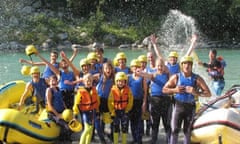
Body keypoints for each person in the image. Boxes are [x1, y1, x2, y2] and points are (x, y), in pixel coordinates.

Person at [162, 56, 211, 144]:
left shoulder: (197, 78)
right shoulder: (176, 77)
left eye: (189, 64)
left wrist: (196, 93)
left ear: (192, 65)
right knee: (174, 130)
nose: (187, 66)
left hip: (190, 107)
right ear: (181, 65)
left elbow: (208, 93)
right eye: (184, 63)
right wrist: (175, 90)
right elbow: (164, 89)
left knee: (187, 132)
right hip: (178, 106)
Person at [139, 58, 171, 144]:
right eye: (158, 66)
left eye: (161, 66)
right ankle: (154, 140)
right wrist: (140, 72)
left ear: (164, 67)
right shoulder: (153, 75)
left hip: (166, 100)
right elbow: (146, 76)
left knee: (167, 123)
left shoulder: (168, 75)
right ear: (155, 66)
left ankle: (169, 141)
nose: (160, 67)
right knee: (155, 124)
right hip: (155, 101)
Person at [72, 73, 100, 144]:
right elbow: (76, 103)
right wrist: (75, 114)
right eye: (87, 81)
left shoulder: (94, 90)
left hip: (93, 111)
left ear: (92, 81)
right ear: (84, 82)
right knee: (87, 129)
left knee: (90, 131)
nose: (88, 82)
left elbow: (97, 101)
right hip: (86, 112)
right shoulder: (80, 92)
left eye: (90, 80)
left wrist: (97, 110)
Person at [108, 72, 133, 144]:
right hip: (116, 111)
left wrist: (127, 109)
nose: (120, 83)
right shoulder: (113, 90)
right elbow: (110, 101)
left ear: (125, 82)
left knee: (124, 128)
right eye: (118, 81)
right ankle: (116, 142)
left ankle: (124, 142)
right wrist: (112, 111)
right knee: (116, 127)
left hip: (124, 111)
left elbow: (130, 100)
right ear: (116, 81)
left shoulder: (128, 90)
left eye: (122, 81)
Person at [45, 75, 72, 142]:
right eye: (52, 81)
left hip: (61, 111)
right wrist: (57, 115)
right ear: (49, 82)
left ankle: (68, 139)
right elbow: (49, 105)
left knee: (70, 122)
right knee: (65, 126)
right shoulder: (49, 90)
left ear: (57, 81)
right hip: (53, 114)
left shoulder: (58, 89)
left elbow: (62, 101)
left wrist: (66, 110)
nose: (53, 82)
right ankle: (63, 141)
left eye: (55, 80)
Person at [128, 59, 147, 144]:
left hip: (139, 101)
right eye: (133, 67)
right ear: (131, 68)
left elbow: (145, 92)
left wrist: (144, 103)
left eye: (137, 67)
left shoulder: (143, 78)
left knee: (139, 121)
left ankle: (139, 140)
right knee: (132, 121)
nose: (135, 68)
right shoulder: (128, 78)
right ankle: (134, 138)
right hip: (131, 102)